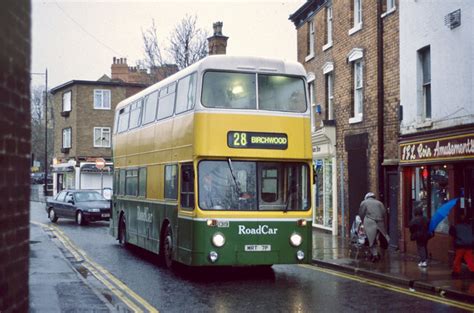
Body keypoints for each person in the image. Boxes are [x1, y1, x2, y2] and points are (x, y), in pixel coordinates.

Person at [358, 192, 390, 262]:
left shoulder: (364, 202)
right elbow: (384, 213)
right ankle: (380, 253)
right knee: (383, 237)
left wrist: (363, 221)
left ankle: (375, 255)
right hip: (380, 222)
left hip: (369, 221)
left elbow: (361, 213)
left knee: (371, 240)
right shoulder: (380, 203)